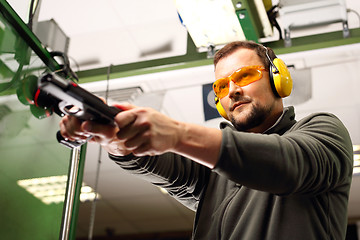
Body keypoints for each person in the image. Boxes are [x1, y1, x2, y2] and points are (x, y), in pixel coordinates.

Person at [59, 41, 353, 239]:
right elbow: (167, 165)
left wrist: (176, 133)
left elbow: (290, 163)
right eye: (222, 85)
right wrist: (114, 136)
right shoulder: (215, 172)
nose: (232, 91)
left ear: (279, 78)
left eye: (245, 75)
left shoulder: (323, 130)